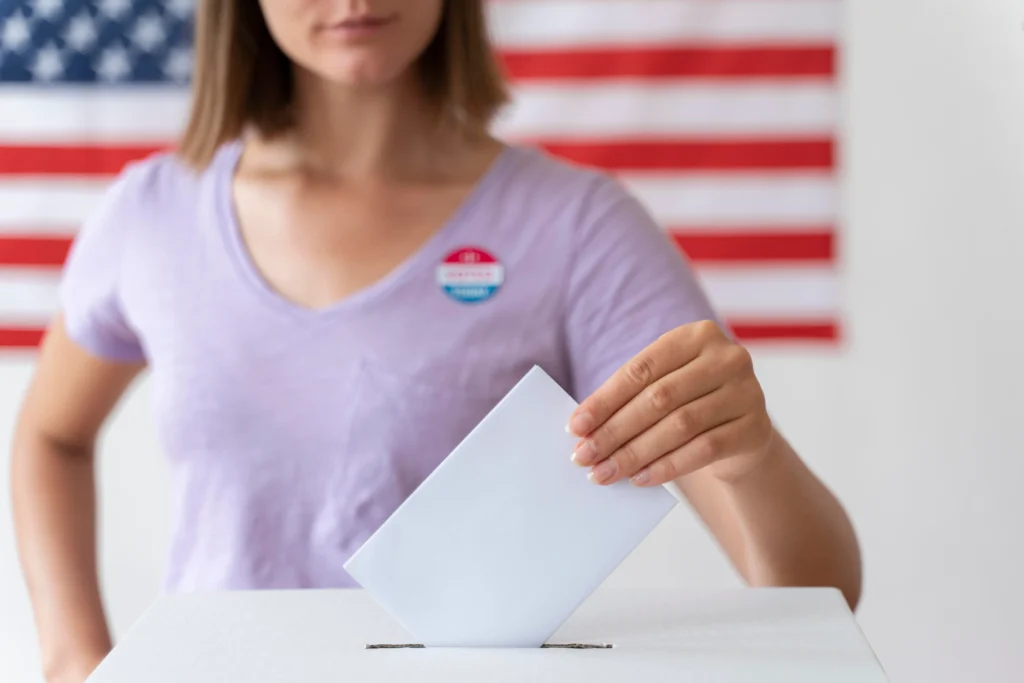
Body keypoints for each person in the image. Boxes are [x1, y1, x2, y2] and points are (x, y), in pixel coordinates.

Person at [10, 1, 862, 681]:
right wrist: (71, 657)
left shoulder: (577, 226)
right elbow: (50, 435)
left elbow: (816, 594)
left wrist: (748, 452)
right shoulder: (152, 214)